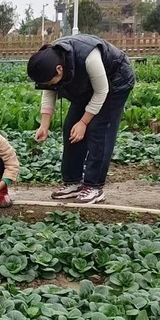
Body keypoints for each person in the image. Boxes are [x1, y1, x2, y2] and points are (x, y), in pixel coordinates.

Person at [27, 34, 135, 204]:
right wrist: (44, 125)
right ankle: (73, 182)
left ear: (59, 69)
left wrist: (84, 122)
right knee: (71, 127)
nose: (49, 85)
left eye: (50, 81)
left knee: (99, 130)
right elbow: (49, 92)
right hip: (86, 86)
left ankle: (94, 186)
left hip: (115, 81)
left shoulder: (88, 57)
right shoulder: (49, 60)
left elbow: (101, 92)